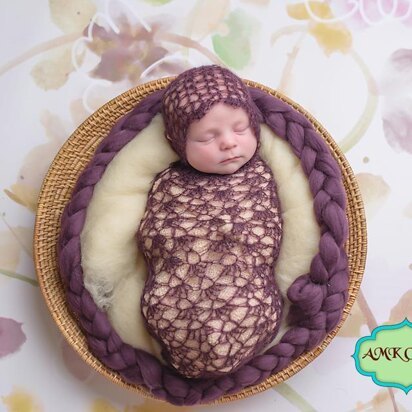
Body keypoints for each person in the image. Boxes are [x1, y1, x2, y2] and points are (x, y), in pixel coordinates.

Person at [137, 65, 283, 379]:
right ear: (178, 142)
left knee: (246, 299)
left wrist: (236, 234)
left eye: (240, 128)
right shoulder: (170, 182)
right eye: (207, 136)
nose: (229, 142)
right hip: (179, 294)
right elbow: (155, 232)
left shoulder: (259, 176)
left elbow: (266, 233)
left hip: (246, 294)